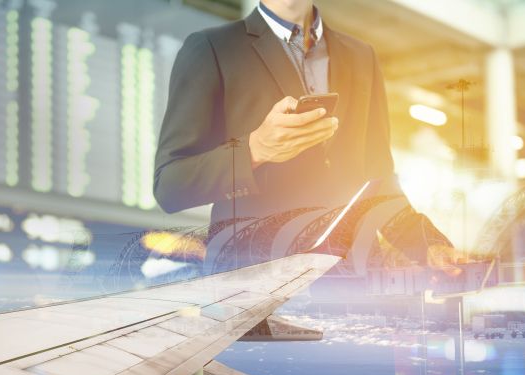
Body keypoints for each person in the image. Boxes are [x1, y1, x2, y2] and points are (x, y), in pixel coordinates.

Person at [153, 0, 401, 222]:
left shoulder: (362, 55)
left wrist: (431, 248)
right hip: (257, 265)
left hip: (348, 267)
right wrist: (254, 150)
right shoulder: (211, 48)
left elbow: (380, 177)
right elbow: (169, 187)